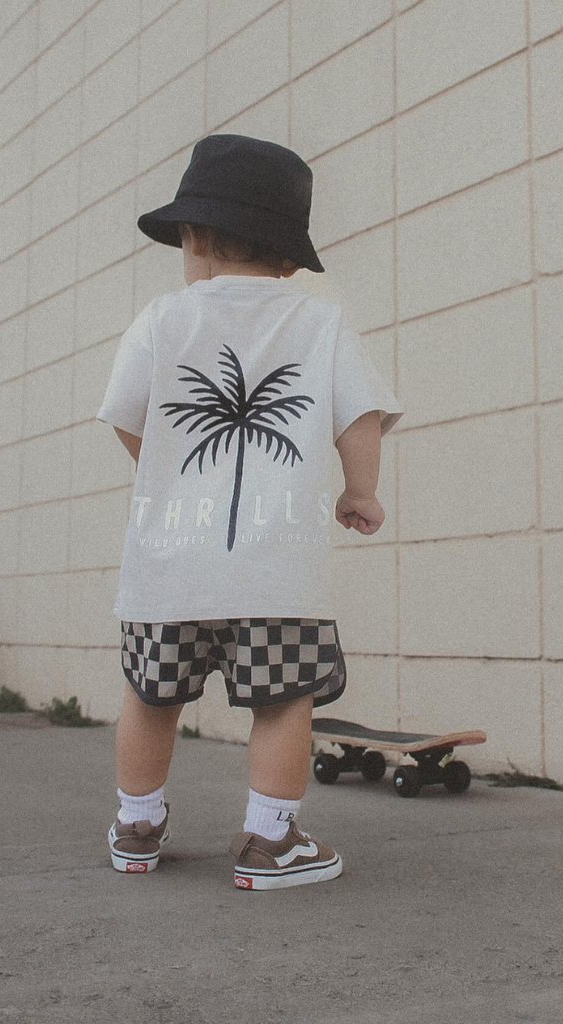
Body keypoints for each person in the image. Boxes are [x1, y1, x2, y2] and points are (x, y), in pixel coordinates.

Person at [96, 134, 403, 890]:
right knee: (281, 700)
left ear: (193, 239)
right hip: (276, 569)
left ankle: (137, 826)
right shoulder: (320, 323)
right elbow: (359, 413)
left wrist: (162, 472)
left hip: (169, 566)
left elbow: (125, 412)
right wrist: (359, 490)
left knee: (150, 695)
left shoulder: (162, 318)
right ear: (290, 256)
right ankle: (270, 842)